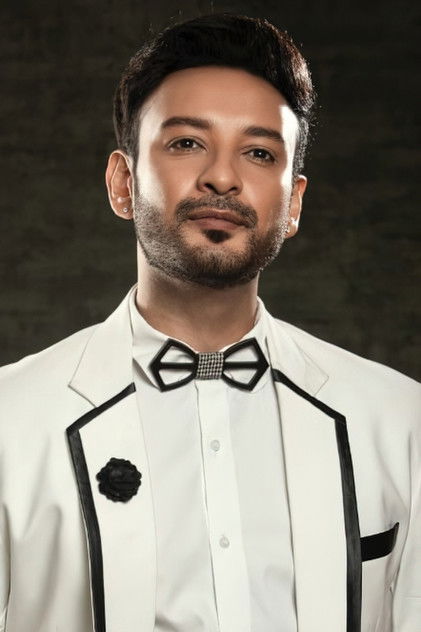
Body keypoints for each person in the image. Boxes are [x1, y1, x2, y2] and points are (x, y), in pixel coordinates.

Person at [0, 13, 419, 632]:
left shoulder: (400, 420)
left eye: (259, 152)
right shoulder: (10, 421)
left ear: (294, 203)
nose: (222, 177)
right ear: (122, 183)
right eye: (186, 143)